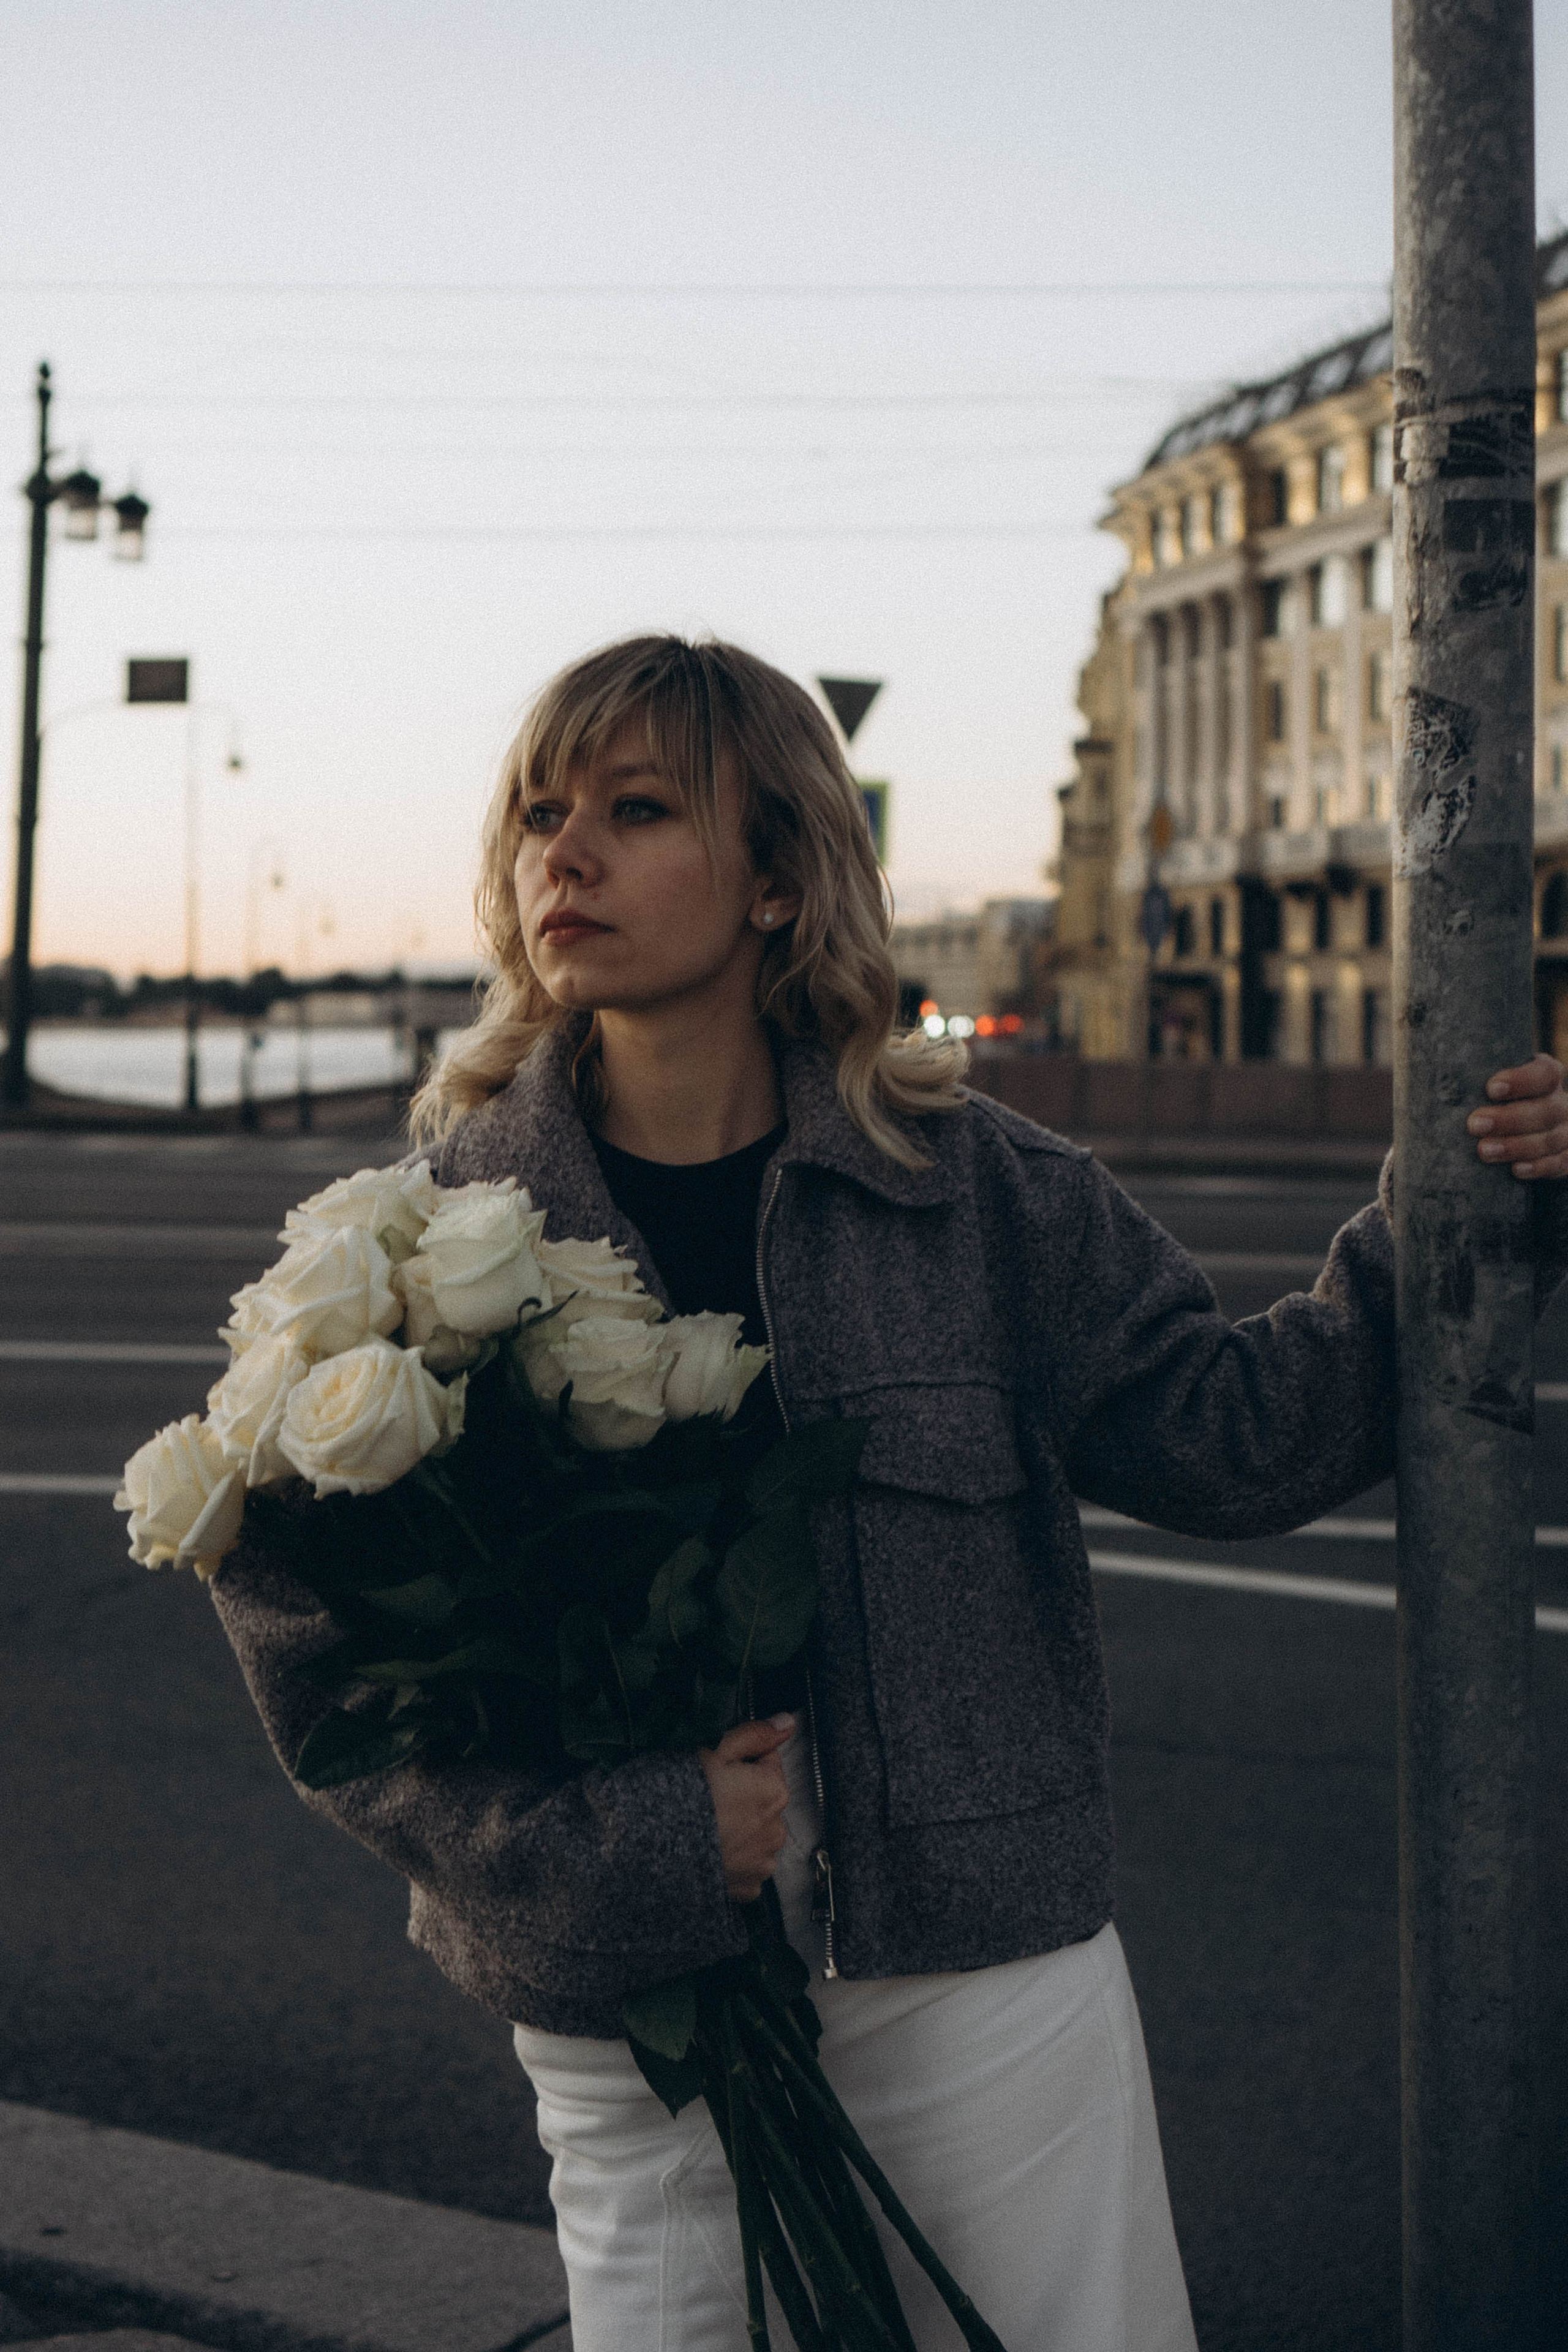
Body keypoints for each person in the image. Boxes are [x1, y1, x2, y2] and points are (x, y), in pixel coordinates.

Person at [209, 633, 1568, 2352]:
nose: (566, 853)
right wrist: (612, 1847)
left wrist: (1470, 1201)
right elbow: (311, 1644)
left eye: (636, 811)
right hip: (636, 2007)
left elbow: (1247, 1434)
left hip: (983, 1989)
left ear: (780, 877)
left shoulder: (979, 1193)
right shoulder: (420, 1239)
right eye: (545, 812)